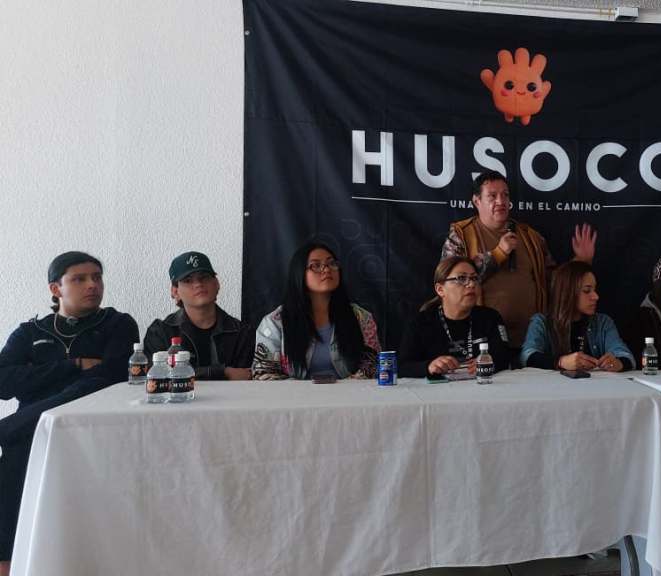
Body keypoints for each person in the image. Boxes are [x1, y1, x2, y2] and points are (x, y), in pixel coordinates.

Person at [0, 252, 138, 574]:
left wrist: (38, 376)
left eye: (97, 277)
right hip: (32, 432)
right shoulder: (29, 332)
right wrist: (73, 365)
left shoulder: (118, 324)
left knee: (94, 385)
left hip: (93, 425)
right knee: (13, 469)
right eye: (80, 279)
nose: (93, 285)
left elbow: (113, 375)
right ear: (56, 288)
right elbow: (3, 382)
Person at [441, 170, 597, 349]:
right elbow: (453, 283)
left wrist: (580, 262)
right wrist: (498, 253)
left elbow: (554, 282)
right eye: (492, 196)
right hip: (483, 341)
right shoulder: (461, 235)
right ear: (477, 201)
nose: (501, 201)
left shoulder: (531, 237)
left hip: (531, 340)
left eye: (505, 195)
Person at [253, 236, 380, 380]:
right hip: (294, 394)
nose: (326, 269)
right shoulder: (274, 323)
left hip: (349, 393)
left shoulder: (362, 318)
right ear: (299, 273)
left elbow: (372, 366)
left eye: (332, 263)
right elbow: (264, 373)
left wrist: (342, 390)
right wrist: (308, 391)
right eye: (316, 265)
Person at [144, 251, 255, 379]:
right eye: (188, 280)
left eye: (204, 277)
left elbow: (243, 378)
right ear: (175, 291)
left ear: (217, 284)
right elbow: (159, 376)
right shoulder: (160, 332)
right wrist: (224, 372)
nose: (198, 284)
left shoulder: (242, 333)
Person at [398, 257, 511, 378]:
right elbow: (402, 366)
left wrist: (491, 362)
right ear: (440, 289)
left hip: (483, 385)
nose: (471, 284)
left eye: (474, 278)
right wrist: (428, 366)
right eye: (461, 278)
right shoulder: (420, 322)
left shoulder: (490, 317)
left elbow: (504, 356)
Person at [520, 261, 634, 372]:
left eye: (595, 290)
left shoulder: (603, 322)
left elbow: (625, 355)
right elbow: (527, 356)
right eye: (587, 290)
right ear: (567, 292)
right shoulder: (541, 322)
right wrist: (561, 362)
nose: (596, 296)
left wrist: (618, 363)